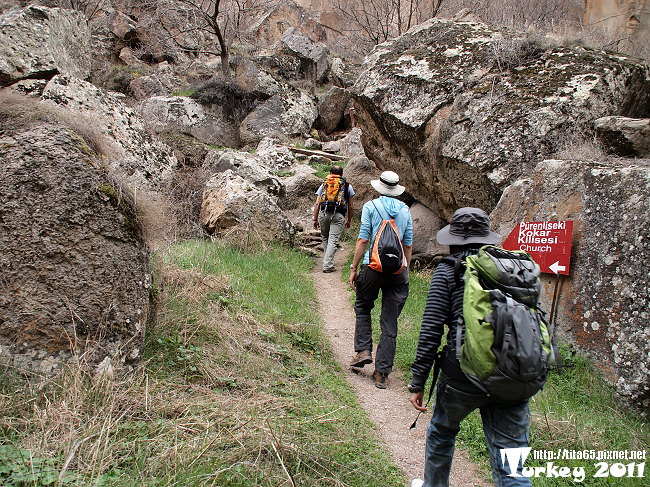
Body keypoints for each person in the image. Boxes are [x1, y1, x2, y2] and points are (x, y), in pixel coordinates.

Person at [408, 208, 532, 487]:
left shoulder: (449, 269)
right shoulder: (513, 269)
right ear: (486, 238)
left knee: (442, 432)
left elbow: (431, 328)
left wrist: (418, 381)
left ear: (454, 238)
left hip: (462, 373)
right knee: (511, 462)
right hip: (513, 373)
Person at [349, 171, 412, 389]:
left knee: (363, 305)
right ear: (396, 190)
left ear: (379, 188)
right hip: (398, 271)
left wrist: (354, 267)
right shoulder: (405, 210)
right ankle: (382, 373)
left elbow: (363, 239)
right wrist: (405, 270)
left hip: (373, 267)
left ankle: (363, 351)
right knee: (390, 321)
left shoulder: (370, 206)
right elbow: (408, 245)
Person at [313, 166, 355, 273]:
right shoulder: (347, 186)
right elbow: (351, 206)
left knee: (325, 237)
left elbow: (317, 203)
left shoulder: (324, 184)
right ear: (341, 174)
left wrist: (315, 219)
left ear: (330, 172)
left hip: (324, 213)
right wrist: (348, 220)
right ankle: (327, 264)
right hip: (338, 215)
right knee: (333, 239)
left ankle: (328, 260)